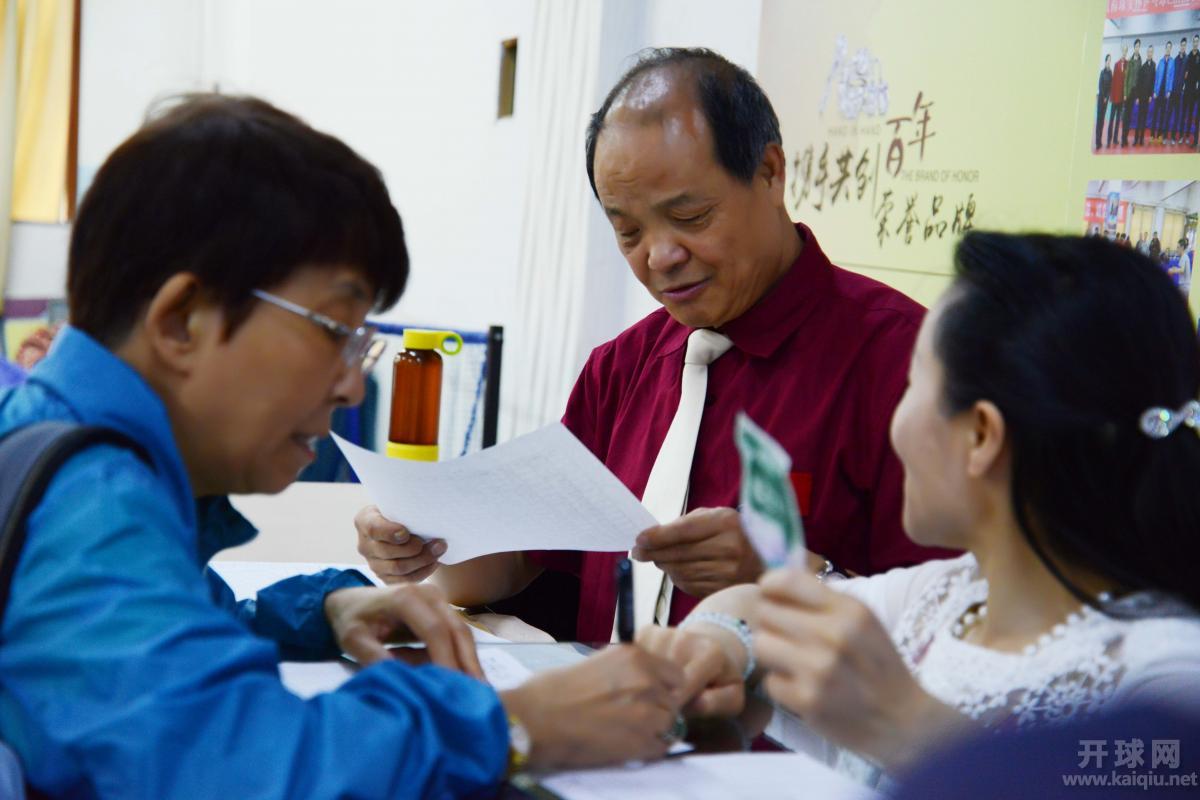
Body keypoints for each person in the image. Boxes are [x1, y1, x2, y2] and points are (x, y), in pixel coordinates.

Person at [0, 95, 689, 799]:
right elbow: (244, 770)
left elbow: (164, 644)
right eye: (334, 331)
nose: (352, 387)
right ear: (182, 320)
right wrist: (513, 727)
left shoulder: (55, 445)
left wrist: (323, 610)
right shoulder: (93, 509)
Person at [355, 47, 952, 642]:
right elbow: (533, 563)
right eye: (629, 231)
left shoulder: (905, 366)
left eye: (690, 216)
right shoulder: (621, 368)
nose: (660, 257)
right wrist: (422, 544)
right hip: (607, 693)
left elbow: (963, 624)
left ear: (770, 173)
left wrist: (791, 576)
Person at [638, 232, 1200, 786]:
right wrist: (714, 646)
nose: (895, 422)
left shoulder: (1169, 677)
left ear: (981, 435)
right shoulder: (946, 599)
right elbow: (751, 608)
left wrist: (903, 722)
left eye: (912, 384)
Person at [1122, 39, 1142, 147]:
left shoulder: (1140, 61)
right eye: (1136, 46)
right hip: (1128, 92)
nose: (1137, 48)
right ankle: (1123, 139)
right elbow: (1126, 78)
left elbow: (1139, 80)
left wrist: (1138, 96)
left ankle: (1126, 138)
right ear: (1134, 48)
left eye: (1139, 46)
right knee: (1125, 116)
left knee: (1129, 117)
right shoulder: (1130, 61)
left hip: (1135, 93)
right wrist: (1125, 93)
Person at [1134, 45, 1156, 146]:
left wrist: (1151, 95)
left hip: (1148, 98)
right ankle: (1136, 139)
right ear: (1147, 53)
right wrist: (1137, 97)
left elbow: (1153, 82)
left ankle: (1141, 139)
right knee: (1139, 118)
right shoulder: (1143, 67)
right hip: (1141, 97)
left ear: (1152, 53)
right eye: (1148, 52)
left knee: (1144, 118)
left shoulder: (1154, 65)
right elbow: (1138, 83)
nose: (1150, 53)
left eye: (1151, 52)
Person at [1153, 41, 1173, 144]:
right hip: (1158, 92)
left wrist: (1169, 90)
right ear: (1165, 48)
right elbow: (1156, 77)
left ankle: (1160, 135)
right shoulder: (1160, 62)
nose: (1168, 49)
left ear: (1171, 49)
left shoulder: (1172, 62)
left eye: (1170, 47)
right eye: (1167, 47)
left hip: (1165, 93)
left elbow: (1172, 77)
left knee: (1162, 115)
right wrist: (1155, 91)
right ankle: (1152, 135)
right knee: (1155, 113)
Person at [1107, 45, 1127, 148]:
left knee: (1118, 120)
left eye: (1125, 51)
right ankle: (1108, 139)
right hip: (1115, 98)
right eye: (1123, 51)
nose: (1124, 53)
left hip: (1122, 99)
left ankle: (1115, 139)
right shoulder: (1116, 64)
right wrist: (1111, 97)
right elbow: (1113, 81)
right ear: (1121, 51)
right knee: (1111, 120)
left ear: (1126, 52)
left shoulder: (1128, 64)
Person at [1095, 53, 1111, 150]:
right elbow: (1100, 86)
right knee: (1099, 120)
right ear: (1105, 61)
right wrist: (1104, 97)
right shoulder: (1102, 72)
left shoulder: (1110, 73)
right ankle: (1097, 142)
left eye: (1110, 60)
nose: (1109, 62)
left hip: (1106, 100)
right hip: (1101, 99)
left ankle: (1100, 141)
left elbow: (1110, 87)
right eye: (1107, 60)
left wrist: (1107, 97)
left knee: (1102, 121)